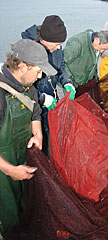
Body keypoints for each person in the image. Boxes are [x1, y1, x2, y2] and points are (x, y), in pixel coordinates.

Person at [0, 39, 56, 234]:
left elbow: (36, 112)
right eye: (38, 71)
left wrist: (38, 135)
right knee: (9, 212)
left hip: (22, 156)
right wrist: (9, 170)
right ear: (22, 66)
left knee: (25, 203)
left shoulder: (28, 88)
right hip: (3, 168)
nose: (40, 77)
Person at [21, 15, 74, 154]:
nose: (59, 48)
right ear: (44, 41)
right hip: (33, 108)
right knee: (38, 139)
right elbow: (20, 86)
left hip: (52, 100)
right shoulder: (26, 51)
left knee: (51, 134)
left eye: (60, 45)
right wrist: (41, 98)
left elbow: (60, 67)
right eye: (56, 45)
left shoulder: (55, 47)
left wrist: (67, 82)